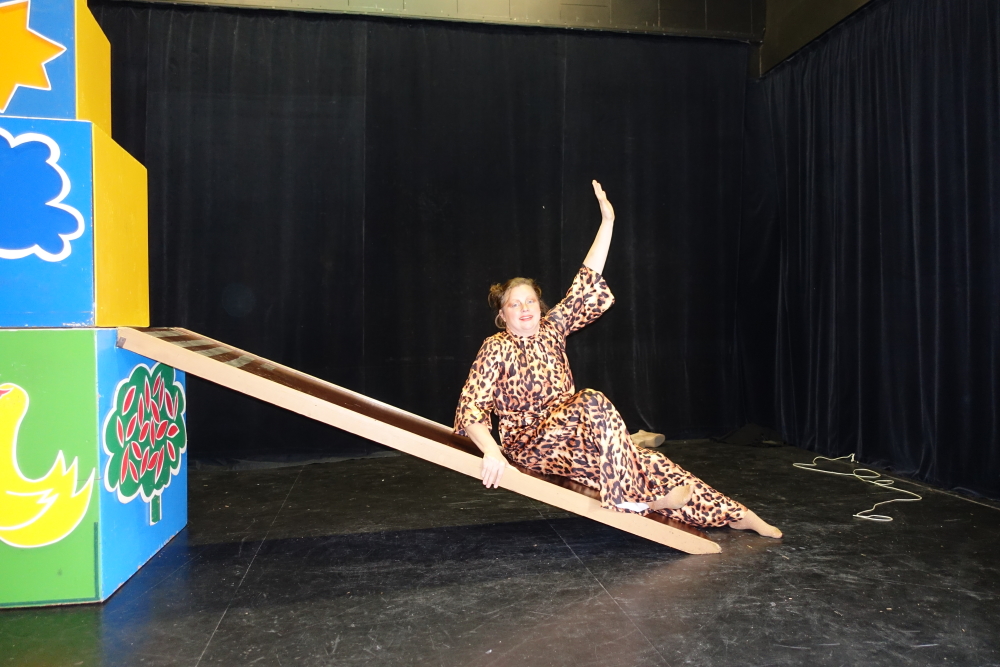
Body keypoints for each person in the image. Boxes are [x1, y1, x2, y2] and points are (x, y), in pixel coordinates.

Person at [454, 181, 781, 538]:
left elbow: (586, 281)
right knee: (592, 401)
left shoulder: (552, 328)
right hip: (530, 443)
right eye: (514, 304)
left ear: (540, 305)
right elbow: (471, 407)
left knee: (649, 462)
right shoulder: (496, 346)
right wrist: (492, 452)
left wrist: (607, 222)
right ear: (502, 315)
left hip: (572, 441)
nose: (524, 308)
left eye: (530, 300)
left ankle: (734, 514)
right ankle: (625, 498)